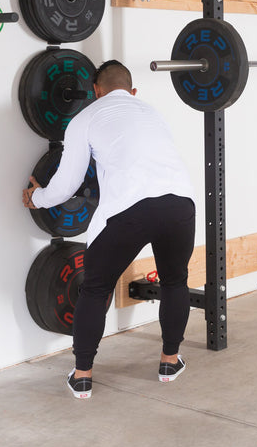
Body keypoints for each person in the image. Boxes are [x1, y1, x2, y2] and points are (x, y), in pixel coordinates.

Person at [22, 59, 195, 399]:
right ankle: (169, 362)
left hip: (129, 210)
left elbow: (67, 184)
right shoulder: (151, 111)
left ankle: (82, 376)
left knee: (96, 289)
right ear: (132, 91)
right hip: (180, 203)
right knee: (175, 281)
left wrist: (36, 198)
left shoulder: (85, 118)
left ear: (96, 92)